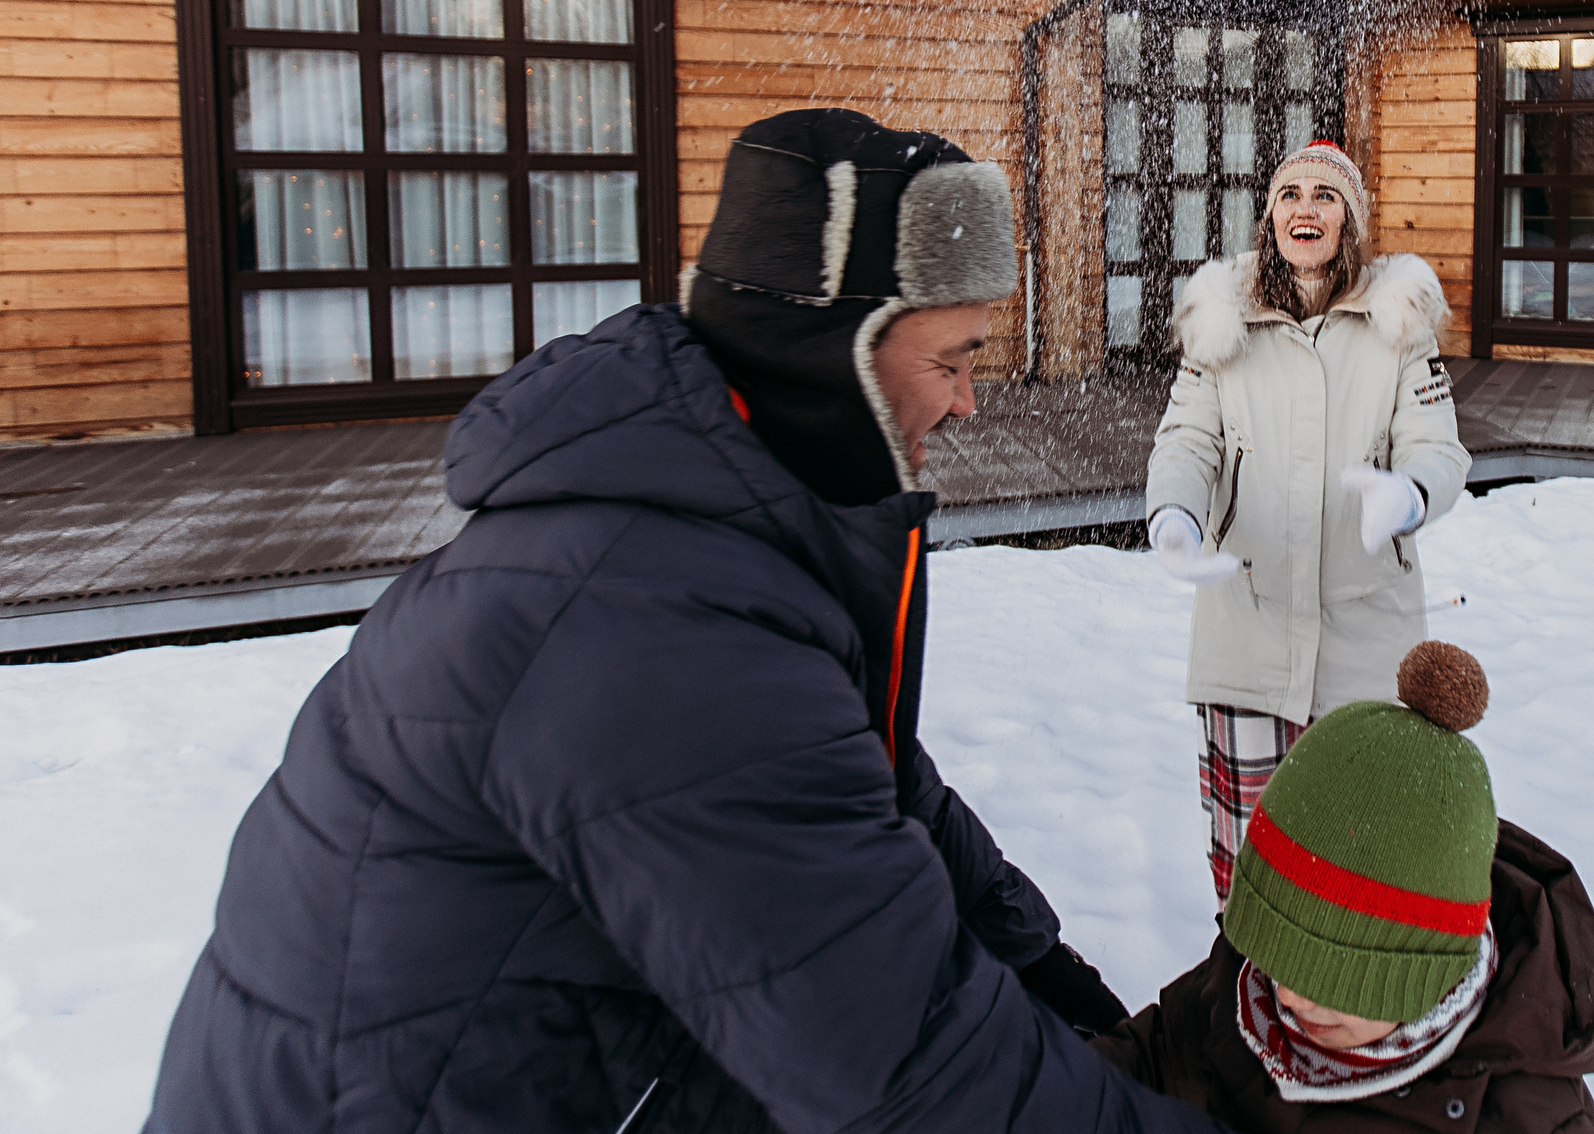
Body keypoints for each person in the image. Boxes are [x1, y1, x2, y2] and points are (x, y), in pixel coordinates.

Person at [146, 109, 1216, 1134]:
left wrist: (1064, 991)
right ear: (829, 358)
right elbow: (900, 1069)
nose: (969, 402)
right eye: (949, 361)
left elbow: (883, 800)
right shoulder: (645, 628)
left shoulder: (717, 529)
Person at [1092, 642, 1594, 1132]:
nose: (1291, 995)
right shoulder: (1241, 997)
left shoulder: (1529, 1119)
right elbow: (1146, 1061)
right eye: (1277, 956)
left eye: (1327, 977)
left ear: (1423, 981)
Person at [1144, 139, 1472, 902]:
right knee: (1252, 869)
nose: (1305, 209)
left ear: (1349, 218)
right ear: (1270, 214)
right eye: (1290, 194)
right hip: (1247, 637)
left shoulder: (1399, 326)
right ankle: (1245, 1011)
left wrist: (1412, 492)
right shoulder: (1222, 323)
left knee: (1359, 871)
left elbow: (1437, 444)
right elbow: (1188, 439)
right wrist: (1174, 516)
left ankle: (1342, 1021)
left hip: (1367, 644)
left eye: (1325, 196)